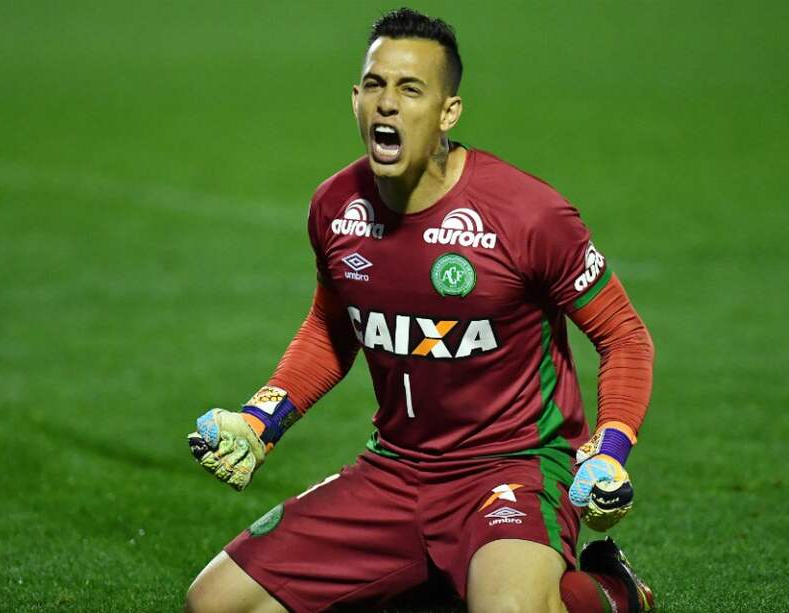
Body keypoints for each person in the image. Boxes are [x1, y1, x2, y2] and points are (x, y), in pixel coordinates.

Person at [185, 8, 655, 613]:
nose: (387, 103)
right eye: (374, 85)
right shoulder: (335, 207)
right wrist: (260, 420)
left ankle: (612, 589)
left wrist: (610, 449)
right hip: (396, 471)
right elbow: (333, 328)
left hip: (514, 467)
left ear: (447, 112)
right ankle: (439, 577)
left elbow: (624, 336)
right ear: (355, 99)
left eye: (410, 89)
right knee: (215, 604)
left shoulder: (528, 215)